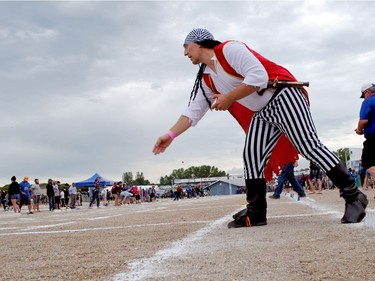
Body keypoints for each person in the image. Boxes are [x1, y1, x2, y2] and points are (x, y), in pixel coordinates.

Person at [153, 28, 367, 227]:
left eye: (186, 47)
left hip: (284, 96)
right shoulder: (207, 78)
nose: (184, 53)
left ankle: (353, 195)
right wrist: (170, 134)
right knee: (252, 156)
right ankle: (256, 212)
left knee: (308, 145)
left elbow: (258, 76)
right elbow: (193, 111)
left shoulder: (229, 49)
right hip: (264, 112)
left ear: (199, 43)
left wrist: (229, 97)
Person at [355, 82, 375, 197]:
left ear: (367, 92)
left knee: (367, 162)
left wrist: (358, 130)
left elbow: (363, 121)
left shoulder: (368, 102)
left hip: (373, 137)